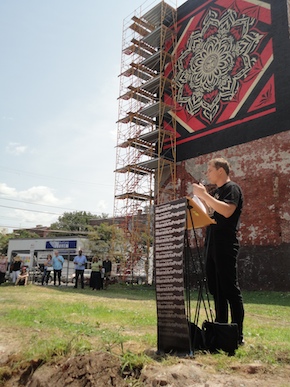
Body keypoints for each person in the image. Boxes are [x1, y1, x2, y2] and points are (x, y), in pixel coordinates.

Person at [192, 157, 245, 345]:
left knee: (229, 289)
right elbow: (211, 213)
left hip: (225, 244)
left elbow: (228, 211)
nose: (207, 173)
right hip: (211, 244)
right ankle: (221, 329)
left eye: (210, 169)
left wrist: (205, 195)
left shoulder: (232, 189)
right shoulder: (215, 193)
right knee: (216, 290)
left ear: (220, 170)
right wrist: (198, 203)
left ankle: (237, 335)